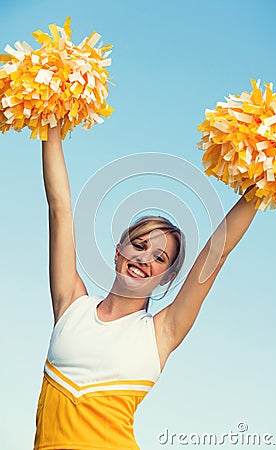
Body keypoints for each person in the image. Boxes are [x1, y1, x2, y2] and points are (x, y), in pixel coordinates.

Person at [34, 124, 259, 450]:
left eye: (160, 257)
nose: (144, 259)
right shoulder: (71, 304)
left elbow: (216, 253)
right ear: (118, 252)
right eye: (138, 245)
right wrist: (49, 121)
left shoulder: (161, 332)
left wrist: (262, 185)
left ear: (167, 276)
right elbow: (60, 209)